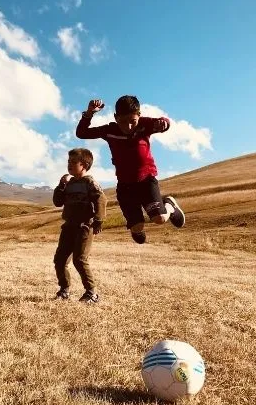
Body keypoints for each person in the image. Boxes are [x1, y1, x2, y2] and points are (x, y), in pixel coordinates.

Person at [76, 96, 184, 244]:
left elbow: (165, 122)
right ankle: (137, 228)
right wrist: (89, 113)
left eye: (133, 121)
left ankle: (170, 206)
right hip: (125, 186)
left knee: (159, 219)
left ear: (139, 115)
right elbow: (82, 133)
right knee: (137, 227)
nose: (128, 127)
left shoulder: (145, 124)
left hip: (146, 180)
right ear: (115, 117)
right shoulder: (109, 130)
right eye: (122, 122)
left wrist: (163, 124)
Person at [53, 148, 107, 303]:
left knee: (80, 259)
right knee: (60, 259)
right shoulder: (69, 184)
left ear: (84, 165)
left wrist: (98, 220)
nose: (69, 165)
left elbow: (101, 200)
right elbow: (58, 202)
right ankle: (64, 290)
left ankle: (92, 293)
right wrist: (61, 186)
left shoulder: (89, 182)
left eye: (73, 162)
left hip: (84, 226)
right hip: (69, 226)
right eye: (68, 162)